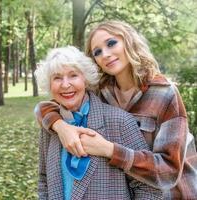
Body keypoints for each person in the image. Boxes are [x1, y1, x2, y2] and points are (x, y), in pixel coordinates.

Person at [34, 21, 197, 199]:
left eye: (111, 43)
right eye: (97, 52)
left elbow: (170, 170)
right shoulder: (100, 91)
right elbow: (49, 105)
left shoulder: (165, 94)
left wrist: (109, 150)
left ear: (128, 41)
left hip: (175, 192)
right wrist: (61, 127)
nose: (106, 54)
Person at [35, 46, 162, 199]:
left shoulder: (119, 122)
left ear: (85, 79)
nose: (65, 84)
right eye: (57, 78)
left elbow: (149, 186)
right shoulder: (51, 126)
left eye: (73, 75)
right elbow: (44, 179)